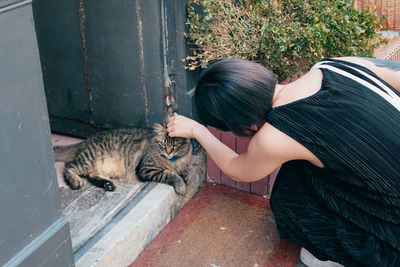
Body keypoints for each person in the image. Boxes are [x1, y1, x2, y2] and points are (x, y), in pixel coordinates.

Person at [167, 57, 400, 266]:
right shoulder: (331, 65)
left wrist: (198, 131)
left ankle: (335, 254)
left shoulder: (275, 135)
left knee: (290, 193)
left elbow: (238, 169)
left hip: (391, 239)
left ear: (247, 126)